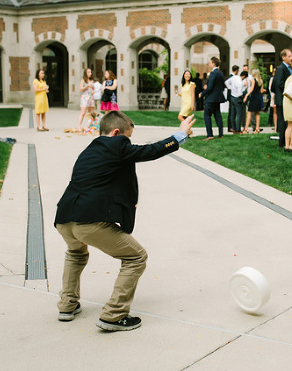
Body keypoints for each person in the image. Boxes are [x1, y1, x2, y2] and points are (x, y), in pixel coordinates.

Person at [54, 111, 196, 331]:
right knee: (136, 257)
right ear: (117, 133)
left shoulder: (89, 151)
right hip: (89, 221)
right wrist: (179, 135)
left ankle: (67, 305)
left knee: (75, 253)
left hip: (64, 219)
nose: (128, 145)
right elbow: (149, 151)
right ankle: (114, 314)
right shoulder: (116, 145)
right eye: (127, 139)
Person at [271, 49, 292, 148]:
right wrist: (290, 88)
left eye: (291, 56)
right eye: (289, 56)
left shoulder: (287, 68)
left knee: (285, 120)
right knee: (282, 120)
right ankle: (282, 142)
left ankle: (285, 140)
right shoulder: (281, 68)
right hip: (282, 98)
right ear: (283, 57)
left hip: (285, 98)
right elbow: (279, 83)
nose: (291, 58)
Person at [199, 56, 225, 140]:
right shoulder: (220, 73)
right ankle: (221, 134)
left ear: (213, 64)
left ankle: (210, 135)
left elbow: (210, 88)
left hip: (210, 99)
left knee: (207, 116)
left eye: (210, 62)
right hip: (217, 98)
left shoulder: (213, 73)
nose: (209, 64)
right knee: (218, 116)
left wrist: (202, 93)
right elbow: (221, 86)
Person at [224, 65, 245, 134]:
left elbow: (226, 82)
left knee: (232, 114)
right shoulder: (238, 79)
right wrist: (241, 95)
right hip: (237, 97)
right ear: (237, 70)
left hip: (232, 96)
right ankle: (238, 129)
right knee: (238, 114)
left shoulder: (232, 77)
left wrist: (230, 88)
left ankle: (233, 128)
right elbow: (239, 90)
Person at [243, 68, 264, 134]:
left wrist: (246, 95)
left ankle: (246, 129)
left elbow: (251, 89)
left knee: (249, 113)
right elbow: (261, 91)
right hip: (259, 97)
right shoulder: (261, 81)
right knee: (257, 113)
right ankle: (257, 128)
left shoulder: (253, 80)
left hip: (254, 97)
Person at [176, 69, 195, 135]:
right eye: (186, 74)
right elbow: (184, 94)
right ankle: (188, 133)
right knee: (186, 118)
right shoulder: (182, 85)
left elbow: (192, 94)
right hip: (183, 103)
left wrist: (192, 104)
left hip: (189, 103)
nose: (187, 75)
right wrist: (179, 94)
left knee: (180, 116)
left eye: (189, 74)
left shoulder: (192, 84)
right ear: (184, 75)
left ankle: (189, 129)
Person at [77, 68, 95, 132]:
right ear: (86, 73)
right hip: (85, 97)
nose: (90, 73)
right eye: (89, 72)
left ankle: (90, 126)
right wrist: (87, 86)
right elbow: (81, 88)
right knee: (83, 112)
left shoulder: (91, 80)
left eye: (90, 72)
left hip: (90, 97)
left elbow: (93, 88)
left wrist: (93, 91)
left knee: (90, 113)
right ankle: (79, 126)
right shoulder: (83, 80)